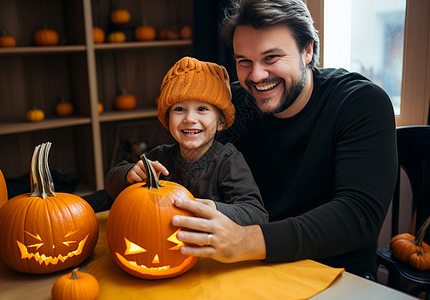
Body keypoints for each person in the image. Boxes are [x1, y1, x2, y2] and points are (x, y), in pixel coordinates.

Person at [170, 0, 398, 280]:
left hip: (335, 273)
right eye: (244, 62)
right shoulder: (230, 107)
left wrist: (246, 240)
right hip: (247, 268)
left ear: (307, 50)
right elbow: (176, 166)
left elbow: (358, 216)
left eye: (271, 58)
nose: (256, 76)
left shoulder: (360, 103)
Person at [105, 56, 269, 226]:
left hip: (209, 247)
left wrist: (212, 208)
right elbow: (110, 185)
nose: (190, 118)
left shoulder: (228, 161)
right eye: (180, 109)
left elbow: (256, 214)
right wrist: (129, 173)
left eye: (202, 109)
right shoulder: (160, 157)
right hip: (162, 241)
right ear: (168, 119)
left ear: (221, 121)